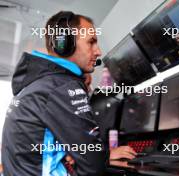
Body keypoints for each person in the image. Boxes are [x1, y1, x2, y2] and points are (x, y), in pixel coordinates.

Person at [2, 11, 108, 176]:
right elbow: (94, 165)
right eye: (91, 42)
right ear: (65, 43)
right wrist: (103, 155)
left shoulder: (38, 82)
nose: (98, 51)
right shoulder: (61, 86)